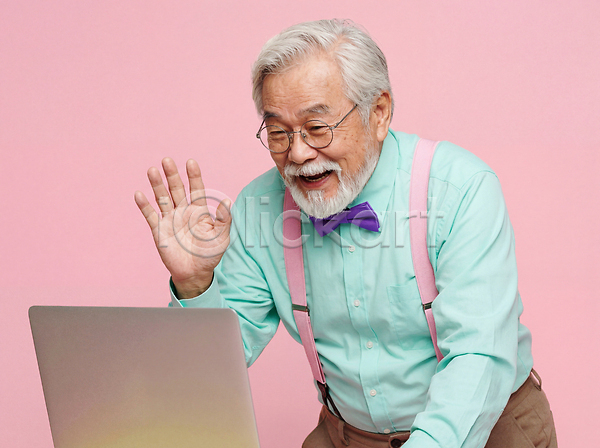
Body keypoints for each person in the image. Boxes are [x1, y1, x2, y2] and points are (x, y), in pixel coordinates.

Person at [135, 19, 557, 448]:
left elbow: (478, 356)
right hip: (347, 434)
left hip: (483, 425)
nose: (298, 153)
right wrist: (195, 283)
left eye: (317, 128)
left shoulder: (460, 189)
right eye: (278, 133)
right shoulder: (258, 208)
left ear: (379, 113)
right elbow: (209, 372)